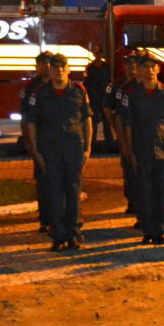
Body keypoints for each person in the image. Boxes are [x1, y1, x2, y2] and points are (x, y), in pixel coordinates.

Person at [24, 54, 91, 251]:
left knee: (73, 192)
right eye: (55, 67)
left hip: (74, 149)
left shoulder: (79, 91)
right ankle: (58, 235)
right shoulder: (40, 93)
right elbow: (31, 123)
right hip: (50, 150)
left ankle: (73, 234)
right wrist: (36, 150)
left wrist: (88, 148)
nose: (59, 70)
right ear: (49, 70)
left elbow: (86, 120)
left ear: (68, 70)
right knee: (53, 193)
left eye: (63, 67)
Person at [120, 55, 164, 245]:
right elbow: (127, 125)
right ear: (138, 70)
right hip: (141, 148)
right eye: (145, 67)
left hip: (162, 148)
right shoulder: (131, 95)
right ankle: (148, 230)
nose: (149, 70)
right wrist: (129, 150)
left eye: (153, 67)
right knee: (144, 192)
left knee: (162, 192)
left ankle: (162, 230)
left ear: (158, 70)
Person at [22, 51, 54, 232]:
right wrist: (28, 140)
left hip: (59, 141)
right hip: (40, 141)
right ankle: (45, 218)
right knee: (42, 181)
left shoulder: (61, 86)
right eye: (41, 63)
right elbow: (26, 117)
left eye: (48, 63)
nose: (45, 67)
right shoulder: (31, 88)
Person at [106, 54, 141, 217]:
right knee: (128, 168)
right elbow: (108, 108)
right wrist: (115, 128)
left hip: (142, 134)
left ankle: (145, 202)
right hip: (125, 133)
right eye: (128, 64)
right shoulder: (116, 85)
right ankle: (133, 201)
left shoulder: (143, 84)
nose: (131, 68)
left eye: (134, 65)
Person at [84, 46, 114, 152]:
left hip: (104, 96)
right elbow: (86, 82)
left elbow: (110, 81)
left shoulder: (106, 67)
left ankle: (109, 145)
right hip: (94, 97)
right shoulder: (90, 67)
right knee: (94, 122)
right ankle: (93, 145)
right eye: (96, 53)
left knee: (106, 121)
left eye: (100, 53)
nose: (98, 55)